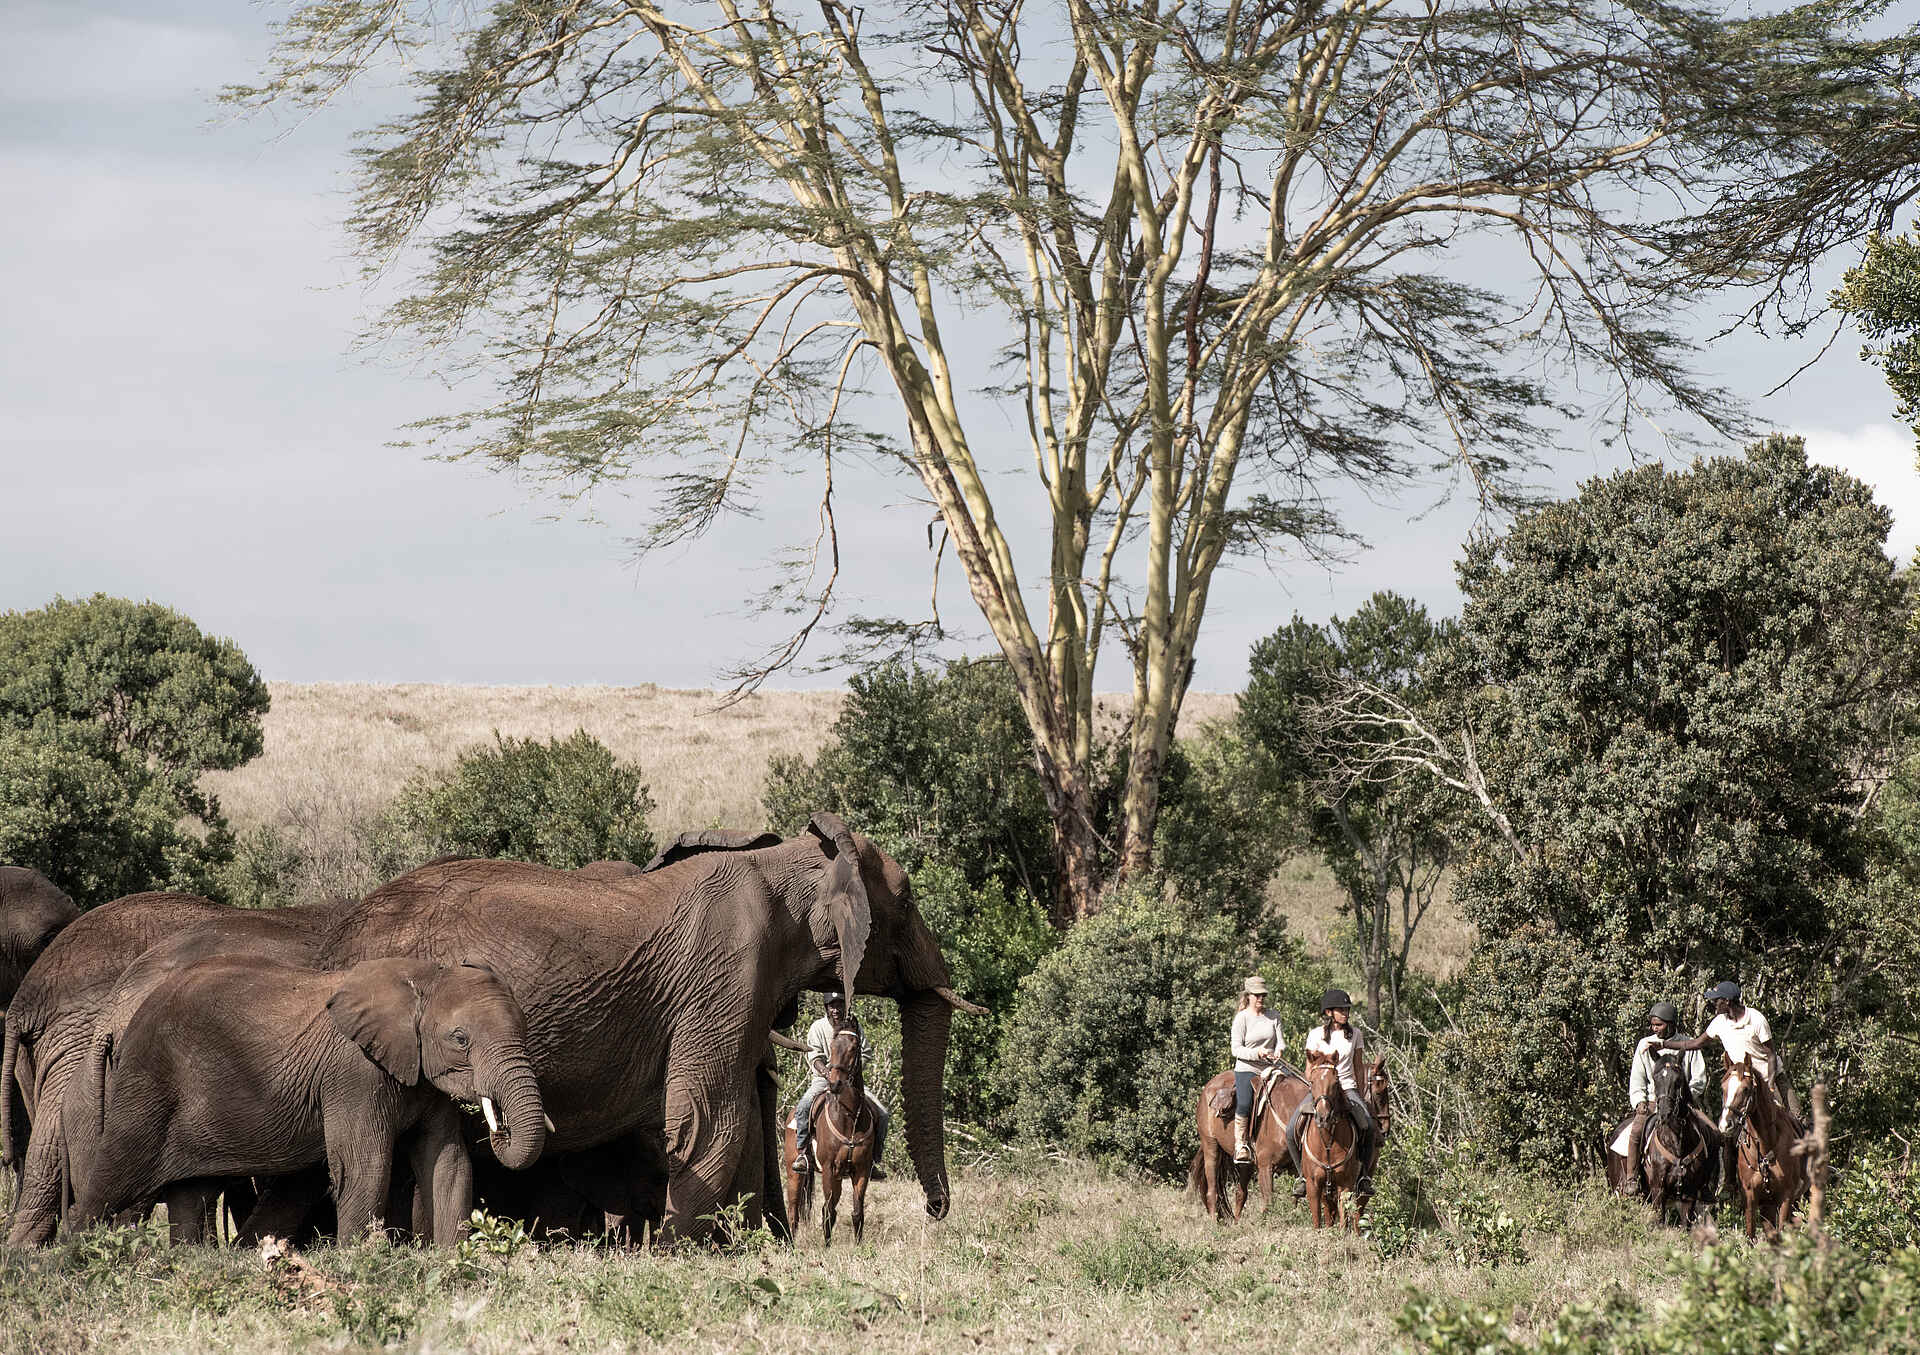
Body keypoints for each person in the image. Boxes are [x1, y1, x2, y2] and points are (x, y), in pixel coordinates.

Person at [1287, 990, 1375, 1199]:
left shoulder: (1356, 1035)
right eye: (1341, 1010)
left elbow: (1359, 1067)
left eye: (1347, 1009)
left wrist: (1360, 1095)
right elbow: (1308, 1070)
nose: (1345, 1013)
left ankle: (1363, 1177)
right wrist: (1317, 1083)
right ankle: (1302, 1176)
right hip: (1321, 1091)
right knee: (1291, 1129)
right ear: (1329, 1012)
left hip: (1346, 1087)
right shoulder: (1315, 1035)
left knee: (1369, 1127)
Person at [790, 992, 890, 1174]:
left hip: (851, 1081)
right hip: (823, 1080)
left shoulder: (855, 1028)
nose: (836, 1010)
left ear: (845, 1007)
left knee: (883, 1114)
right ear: (826, 1008)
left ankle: (874, 1160)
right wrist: (828, 1072)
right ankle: (803, 1154)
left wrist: (851, 1071)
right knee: (803, 1107)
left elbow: (865, 1053)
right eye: (832, 1006)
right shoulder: (817, 1027)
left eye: (839, 1005)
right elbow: (814, 1056)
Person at [1618, 1000, 1707, 1193]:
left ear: (1672, 1024)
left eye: (1659, 1024)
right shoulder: (1644, 1045)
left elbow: (1699, 1079)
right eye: (1653, 1024)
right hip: (1653, 1101)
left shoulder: (1688, 1043)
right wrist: (1639, 1101)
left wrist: (1686, 1097)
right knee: (1635, 1132)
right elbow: (1637, 1078)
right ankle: (1632, 1178)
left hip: (1684, 1104)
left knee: (1713, 1132)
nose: (1654, 1028)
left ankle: (1707, 1184)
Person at [1229, 975, 1287, 1164]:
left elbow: (1280, 1041)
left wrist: (1278, 1050)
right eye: (1257, 995)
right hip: (1247, 1068)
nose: (1261, 999)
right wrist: (1258, 1053)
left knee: (1294, 1091)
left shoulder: (1274, 1016)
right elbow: (1235, 1049)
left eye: (1263, 995)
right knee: (1245, 1103)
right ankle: (1241, 1145)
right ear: (1248, 996)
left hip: (1272, 1067)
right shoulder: (1242, 1018)